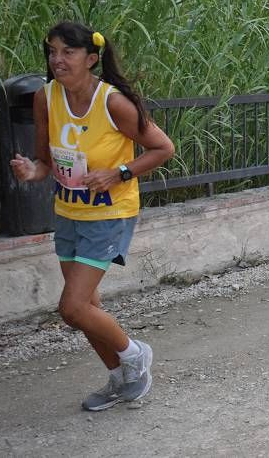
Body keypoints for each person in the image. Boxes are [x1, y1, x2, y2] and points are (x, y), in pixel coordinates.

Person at [9, 21, 174, 411]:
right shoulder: (45, 97)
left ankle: (135, 355)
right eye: (52, 51)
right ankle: (120, 379)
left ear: (92, 59)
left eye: (67, 52)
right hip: (68, 212)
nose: (57, 60)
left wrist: (119, 173)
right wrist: (33, 171)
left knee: (72, 307)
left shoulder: (112, 102)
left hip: (110, 213)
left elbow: (162, 148)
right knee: (85, 311)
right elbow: (45, 161)